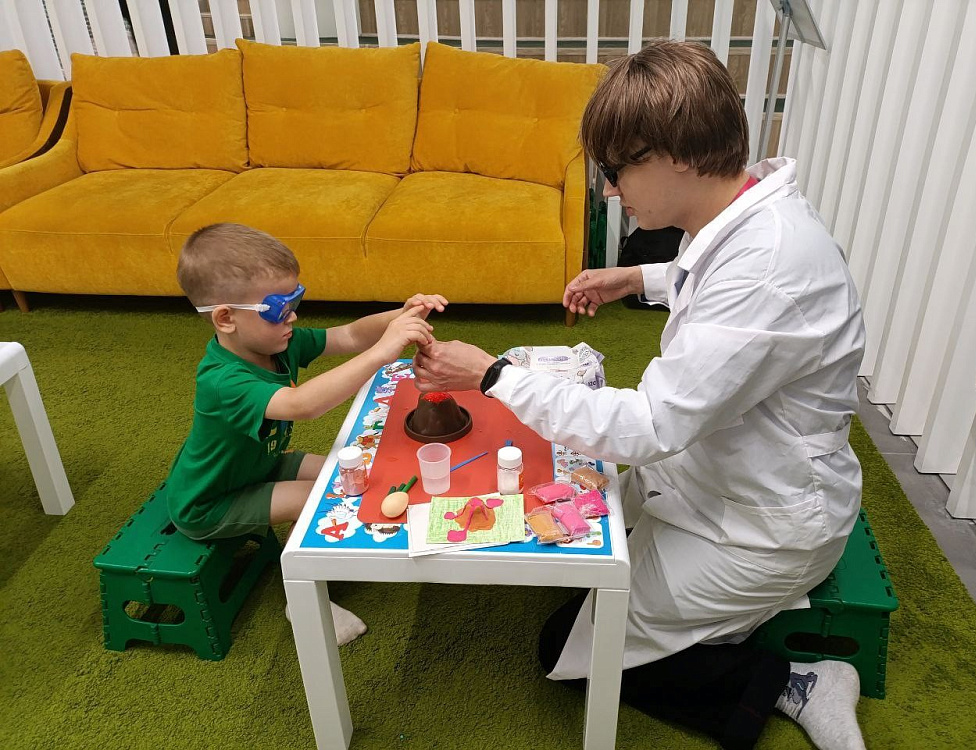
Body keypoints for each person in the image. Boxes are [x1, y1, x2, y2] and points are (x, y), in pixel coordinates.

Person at [412, 41, 866, 750]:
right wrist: (637, 279)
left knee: (566, 646)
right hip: (712, 477)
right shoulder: (743, 215)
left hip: (763, 526)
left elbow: (649, 426)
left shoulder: (768, 266)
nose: (609, 190)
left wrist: (494, 376)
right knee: (574, 533)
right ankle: (708, 619)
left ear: (676, 156)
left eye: (617, 170)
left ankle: (794, 681)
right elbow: (711, 283)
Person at [165, 223, 444, 645]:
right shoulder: (222, 380)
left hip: (259, 464)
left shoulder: (277, 343)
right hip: (211, 500)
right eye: (279, 308)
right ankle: (302, 602)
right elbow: (303, 405)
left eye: (295, 299)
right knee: (320, 500)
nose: (293, 316)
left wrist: (401, 316)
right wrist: (384, 351)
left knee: (353, 474)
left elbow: (348, 335)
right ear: (225, 318)